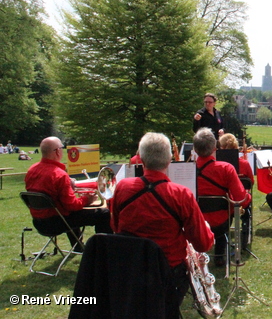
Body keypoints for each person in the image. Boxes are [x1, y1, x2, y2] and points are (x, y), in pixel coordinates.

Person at [110, 132, 214, 318]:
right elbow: (203, 244)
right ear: (169, 160)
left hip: (130, 271)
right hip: (168, 275)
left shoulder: (122, 188)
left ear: (140, 159)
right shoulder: (181, 194)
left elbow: (116, 227)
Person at [24, 137, 112, 247]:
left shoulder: (31, 170)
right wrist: (86, 199)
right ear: (57, 151)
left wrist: (67, 188)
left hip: (39, 222)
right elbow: (72, 206)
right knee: (104, 214)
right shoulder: (59, 175)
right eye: (62, 148)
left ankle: (77, 246)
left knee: (66, 213)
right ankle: (104, 250)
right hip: (56, 222)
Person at [193, 128, 251, 266]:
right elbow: (240, 198)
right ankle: (219, 257)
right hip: (220, 223)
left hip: (194, 222)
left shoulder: (184, 170)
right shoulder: (226, 168)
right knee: (224, 215)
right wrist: (247, 197)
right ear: (215, 147)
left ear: (195, 149)